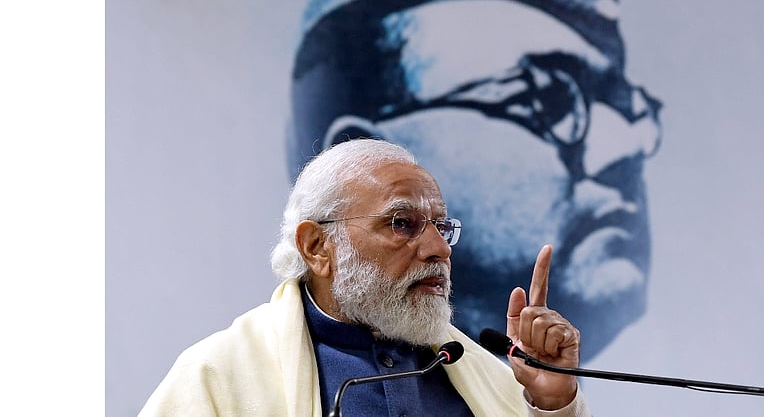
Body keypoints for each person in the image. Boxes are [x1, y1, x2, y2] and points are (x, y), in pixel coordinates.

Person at [288, 0, 663, 360]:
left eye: (629, 110)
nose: (623, 148)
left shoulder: (507, 387)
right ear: (357, 152)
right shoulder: (225, 383)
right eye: (549, 101)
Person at [140, 139, 590, 416]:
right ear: (317, 247)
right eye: (401, 223)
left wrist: (553, 404)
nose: (438, 249)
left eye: (442, 227)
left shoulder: (476, 372)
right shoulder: (218, 376)